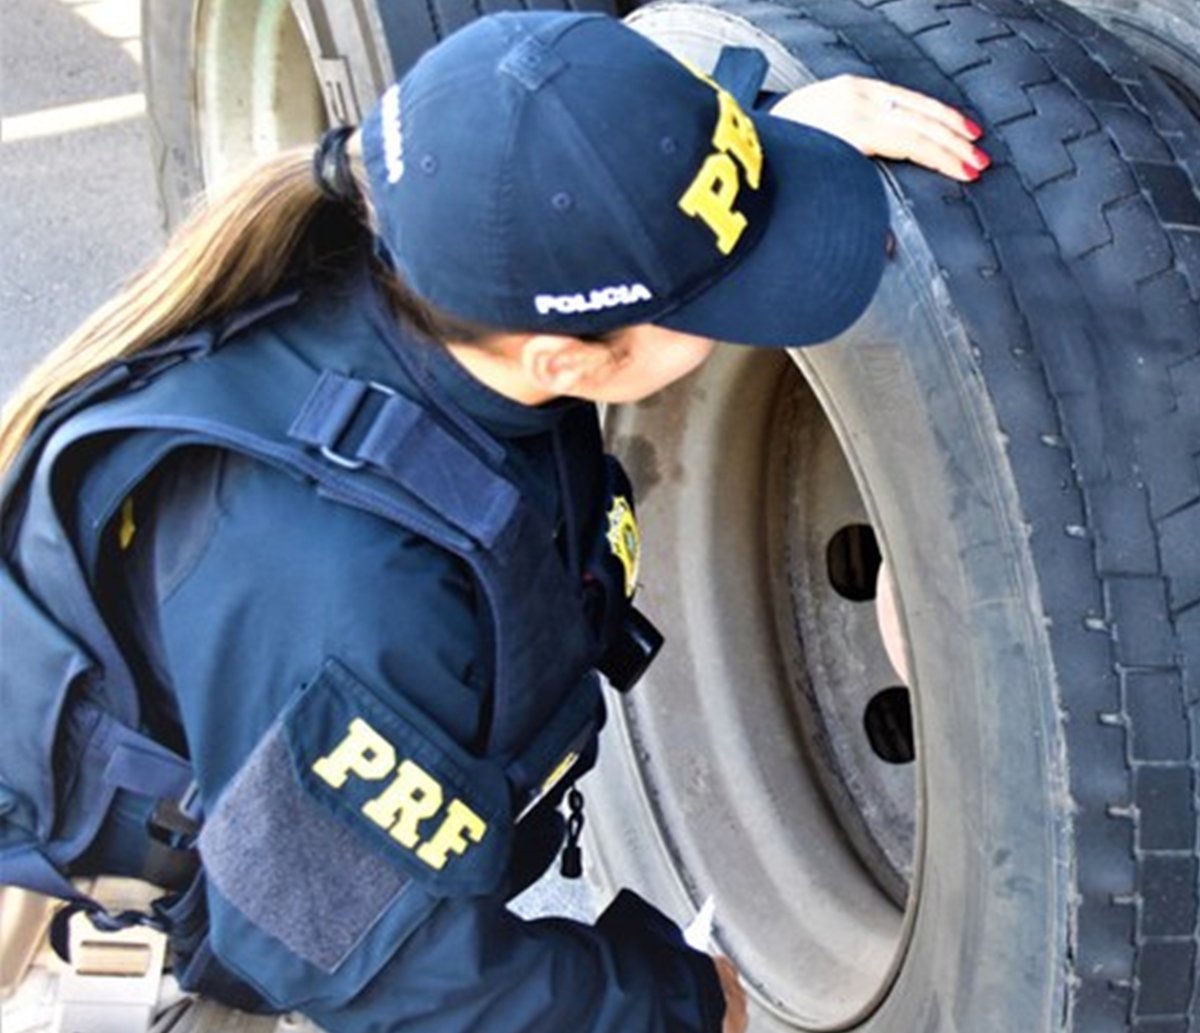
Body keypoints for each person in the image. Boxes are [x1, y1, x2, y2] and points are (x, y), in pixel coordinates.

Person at [0, 11, 987, 1033]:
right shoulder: (354, 586)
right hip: (169, 937)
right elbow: (365, 968)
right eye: (720, 299)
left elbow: (555, 174)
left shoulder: (433, 264)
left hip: (273, 816)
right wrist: (672, 1003)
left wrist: (752, 165)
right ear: (563, 363)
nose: (744, 303)